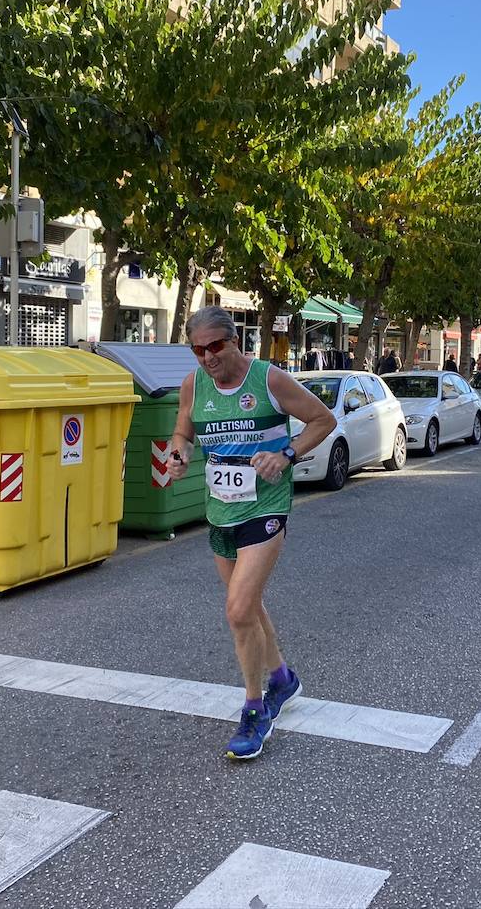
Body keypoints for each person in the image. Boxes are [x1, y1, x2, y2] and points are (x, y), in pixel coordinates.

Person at [168, 307, 337, 760]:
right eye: (198, 350)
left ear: (234, 341)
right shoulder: (193, 385)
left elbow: (323, 420)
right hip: (220, 511)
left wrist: (286, 452)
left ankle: (254, 708)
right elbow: (182, 432)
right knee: (249, 609)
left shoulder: (268, 380)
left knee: (238, 609)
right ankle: (282, 678)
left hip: (266, 506)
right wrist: (178, 453)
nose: (207, 358)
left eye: (215, 347)